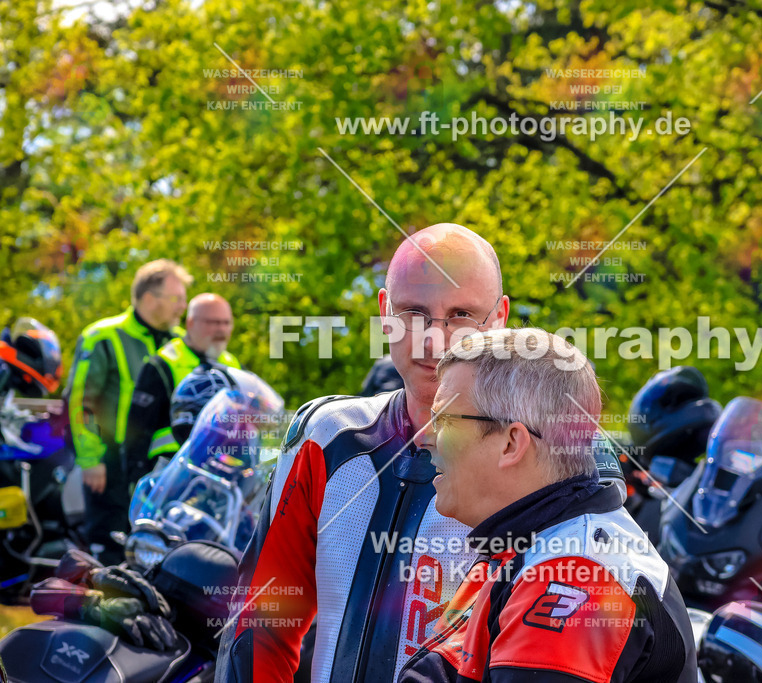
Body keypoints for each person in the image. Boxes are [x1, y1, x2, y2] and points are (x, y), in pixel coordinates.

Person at [219, 224, 512, 683]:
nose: (435, 341)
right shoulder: (327, 439)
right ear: (384, 313)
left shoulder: (537, 461)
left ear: (498, 320)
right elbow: (262, 626)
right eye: (413, 312)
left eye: (461, 315)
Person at [398, 328, 698, 682]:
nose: (423, 437)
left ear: (512, 443)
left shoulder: (575, 574)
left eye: (445, 420)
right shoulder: (520, 542)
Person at [64, 259, 191, 563]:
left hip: (159, 467)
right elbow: (81, 400)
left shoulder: (179, 343)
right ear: (149, 298)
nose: (183, 307)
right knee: (108, 550)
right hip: (109, 464)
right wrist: (91, 459)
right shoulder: (103, 336)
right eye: (176, 299)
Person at [123, 293, 241, 481]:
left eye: (226, 323)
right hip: (169, 473)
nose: (222, 330)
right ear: (190, 323)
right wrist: (136, 480)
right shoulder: (163, 363)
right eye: (213, 322)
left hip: (218, 472)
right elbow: (137, 431)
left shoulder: (232, 364)